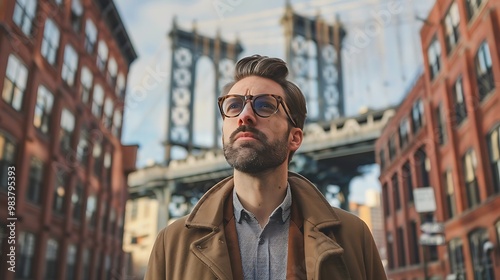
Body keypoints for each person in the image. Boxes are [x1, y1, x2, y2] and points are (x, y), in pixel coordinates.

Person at [145, 55, 387, 280]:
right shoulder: (171, 243)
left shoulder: (354, 237)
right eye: (233, 106)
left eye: (265, 105)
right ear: (223, 131)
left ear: (295, 138)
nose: (245, 116)